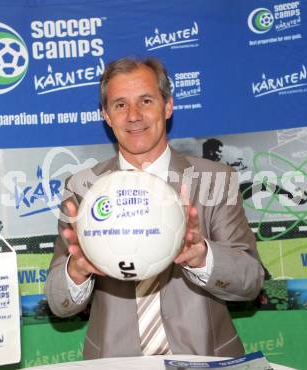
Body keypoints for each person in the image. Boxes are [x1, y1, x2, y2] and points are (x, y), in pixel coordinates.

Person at [45, 57, 264, 359]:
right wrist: (77, 271)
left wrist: (203, 257)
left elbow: (251, 280)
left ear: (168, 106)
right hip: (114, 362)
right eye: (120, 105)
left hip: (204, 358)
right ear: (106, 115)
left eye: (146, 100)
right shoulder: (82, 189)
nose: (134, 116)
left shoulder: (215, 179)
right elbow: (59, 302)